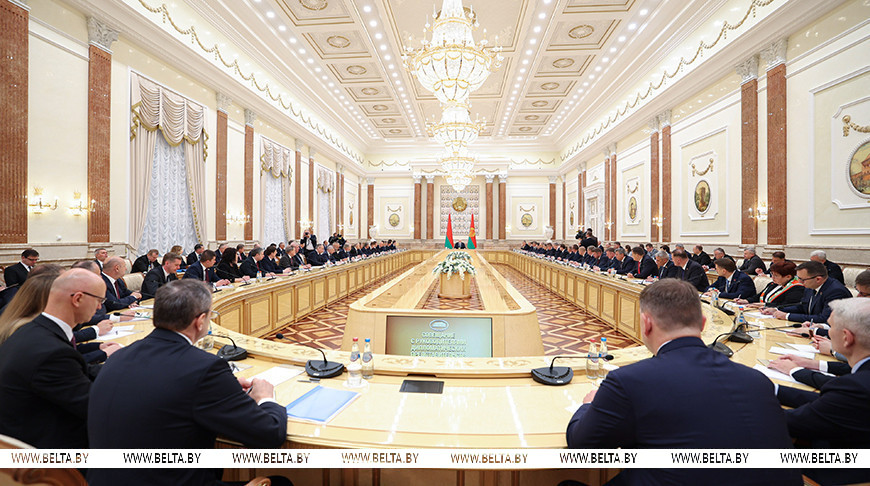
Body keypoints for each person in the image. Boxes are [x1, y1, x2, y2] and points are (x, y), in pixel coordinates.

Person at [566, 279, 800, 486]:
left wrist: (588, 405)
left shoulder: (628, 381)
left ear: (646, 324)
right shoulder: (757, 380)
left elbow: (583, 447)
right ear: (703, 324)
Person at [87, 280, 290, 486]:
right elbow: (269, 435)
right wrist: (265, 398)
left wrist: (225, 390)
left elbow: (166, 388)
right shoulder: (206, 368)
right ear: (200, 321)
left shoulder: (119, 356)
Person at [0, 269, 107, 448]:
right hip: (47, 455)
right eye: (99, 300)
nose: (99, 307)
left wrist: (123, 367)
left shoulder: (32, 330)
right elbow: (96, 409)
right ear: (78, 299)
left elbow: (81, 371)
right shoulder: (52, 353)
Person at [772, 298, 870, 485]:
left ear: (846, 338)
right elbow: (830, 403)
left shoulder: (855, 388)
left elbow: (790, 422)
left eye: (830, 327)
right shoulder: (856, 384)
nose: (827, 333)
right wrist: (772, 389)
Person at [765, 261, 852, 325]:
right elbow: (803, 307)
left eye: (802, 279)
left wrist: (787, 316)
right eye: (798, 278)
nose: (799, 282)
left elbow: (824, 318)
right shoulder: (810, 286)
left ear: (818, 279)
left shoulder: (835, 291)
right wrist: (777, 310)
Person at [734, 260, 804, 308]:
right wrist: (746, 301)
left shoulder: (796, 288)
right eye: (772, 274)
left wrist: (764, 305)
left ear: (788, 277)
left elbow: (787, 305)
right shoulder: (773, 284)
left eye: (776, 275)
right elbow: (759, 296)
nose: (772, 277)